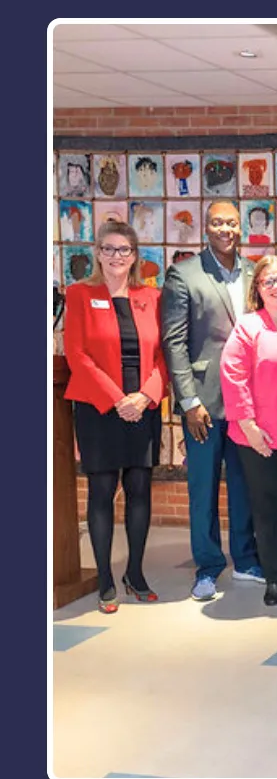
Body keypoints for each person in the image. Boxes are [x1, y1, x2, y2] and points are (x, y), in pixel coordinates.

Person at [63, 220, 167, 612]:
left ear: (135, 255)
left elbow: (163, 355)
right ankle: (106, 577)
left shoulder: (151, 297)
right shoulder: (79, 294)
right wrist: (116, 398)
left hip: (143, 407)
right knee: (102, 492)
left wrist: (144, 396)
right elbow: (78, 355)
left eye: (124, 249)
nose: (116, 256)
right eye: (108, 248)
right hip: (99, 409)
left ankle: (135, 573)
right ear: (97, 253)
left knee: (140, 491)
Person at [161, 200, 263, 600]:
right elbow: (174, 341)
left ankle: (247, 559)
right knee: (203, 488)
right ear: (206, 227)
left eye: (232, 223)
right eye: (218, 222)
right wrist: (188, 401)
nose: (226, 229)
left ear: (241, 228)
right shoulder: (183, 273)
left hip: (247, 403)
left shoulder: (255, 272)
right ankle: (207, 567)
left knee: (244, 484)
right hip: (203, 402)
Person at [219, 256, 277, 608]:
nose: (276, 286)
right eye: (268, 281)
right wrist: (248, 425)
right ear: (258, 289)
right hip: (261, 437)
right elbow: (232, 374)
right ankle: (274, 577)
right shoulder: (249, 326)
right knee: (270, 508)